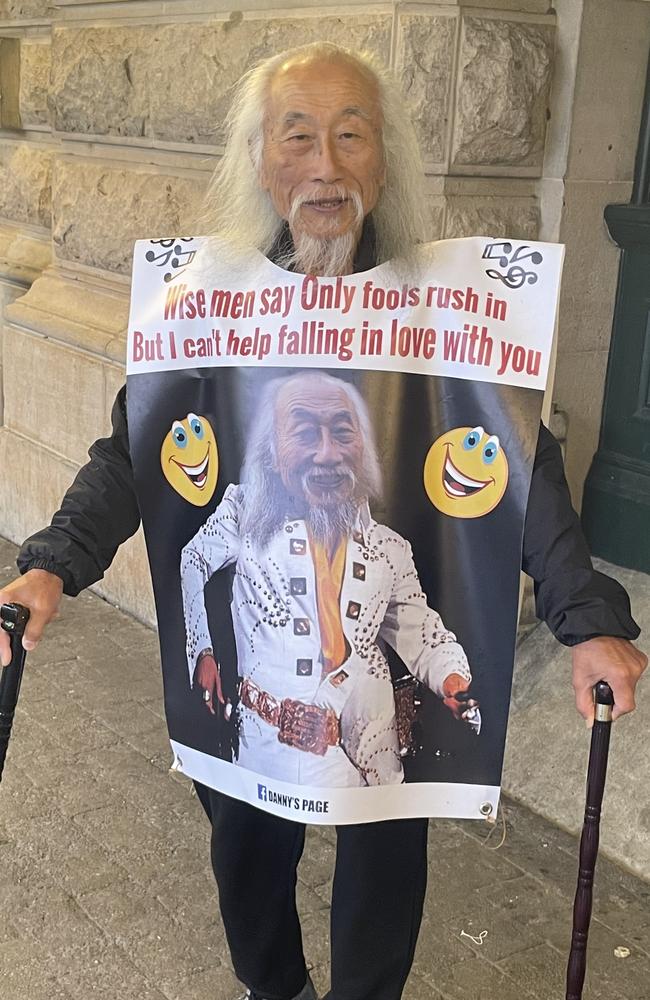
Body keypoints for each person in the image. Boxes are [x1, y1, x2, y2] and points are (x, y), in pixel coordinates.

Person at [0, 41, 646, 1000]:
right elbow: (134, 457)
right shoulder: (205, 307)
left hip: (372, 716)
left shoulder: (449, 311)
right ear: (259, 159)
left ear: (384, 160)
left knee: (386, 875)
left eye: (352, 135)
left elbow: (520, 464)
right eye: (297, 136)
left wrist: (587, 621)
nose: (326, 165)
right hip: (261, 708)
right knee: (246, 864)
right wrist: (51, 564)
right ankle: (276, 988)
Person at [181, 371, 474, 787]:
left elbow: (420, 631)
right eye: (304, 433)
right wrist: (202, 650)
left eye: (342, 433)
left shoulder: (389, 549)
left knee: (376, 852)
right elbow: (193, 560)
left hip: (372, 755)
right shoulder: (243, 513)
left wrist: (451, 677)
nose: (326, 454)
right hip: (268, 753)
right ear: (272, 452)